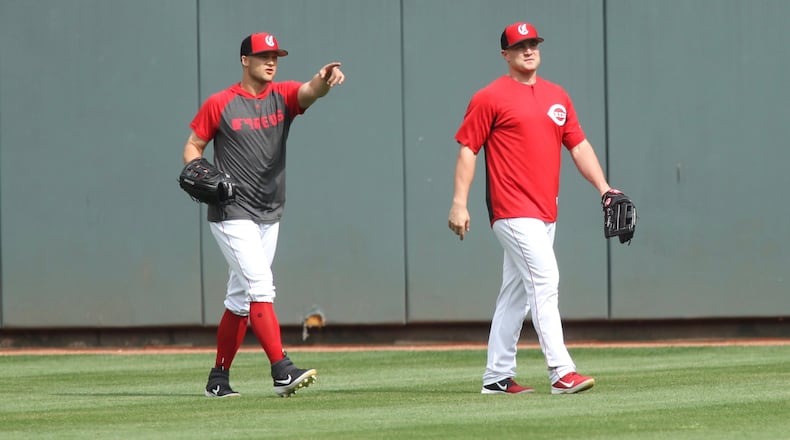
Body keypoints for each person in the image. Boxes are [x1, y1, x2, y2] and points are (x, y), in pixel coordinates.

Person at [448, 22, 617, 395]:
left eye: (533, 44)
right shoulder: (489, 97)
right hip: (511, 208)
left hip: (545, 211)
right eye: (519, 45)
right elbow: (467, 148)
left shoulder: (557, 96)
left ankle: (496, 376)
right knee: (545, 280)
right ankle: (561, 371)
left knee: (516, 292)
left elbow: (578, 146)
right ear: (505, 54)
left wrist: (604, 188)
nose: (528, 50)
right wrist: (459, 203)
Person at [182, 32, 345, 398]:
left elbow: (310, 92)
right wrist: (199, 169)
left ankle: (218, 379)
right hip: (231, 211)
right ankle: (281, 370)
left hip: (269, 212)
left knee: (240, 299)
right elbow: (193, 145)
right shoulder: (221, 103)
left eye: (275, 56)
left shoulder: (282, 95)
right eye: (262, 55)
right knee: (260, 286)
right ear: (244, 60)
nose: (271, 61)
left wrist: (323, 80)